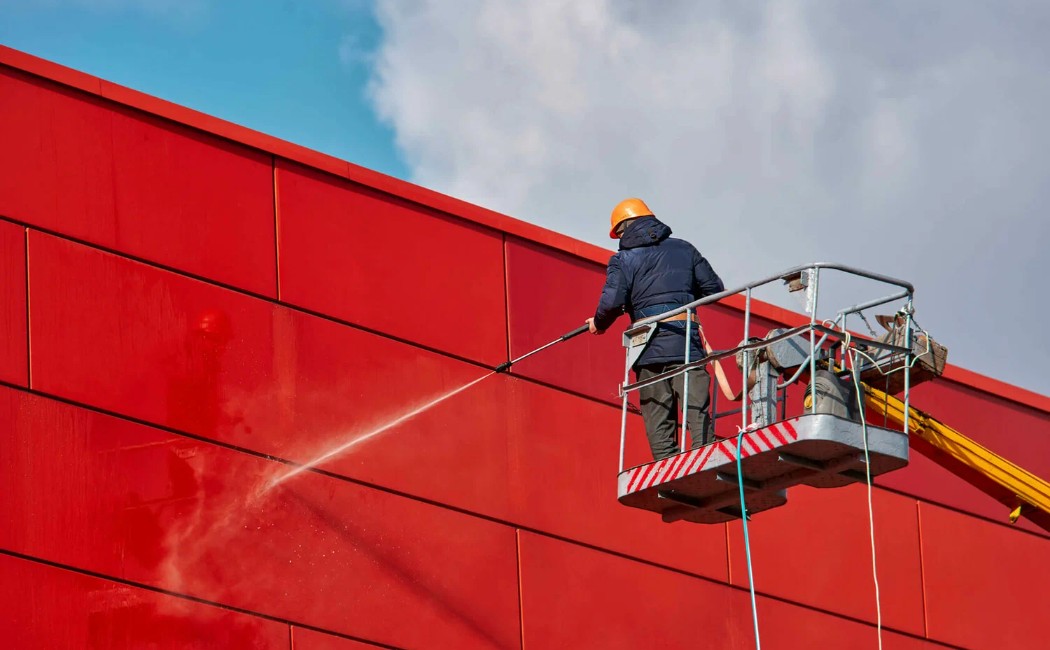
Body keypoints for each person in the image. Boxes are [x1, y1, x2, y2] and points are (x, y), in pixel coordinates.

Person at [586, 198, 725, 460]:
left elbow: (612, 301)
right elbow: (714, 289)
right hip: (686, 343)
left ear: (624, 228)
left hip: (647, 349)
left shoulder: (623, 260)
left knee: (657, 414)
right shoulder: (685, 250)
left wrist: (599, 323)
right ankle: (704, 458)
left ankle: (667, 468)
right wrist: (679, 295)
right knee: (696, 408)